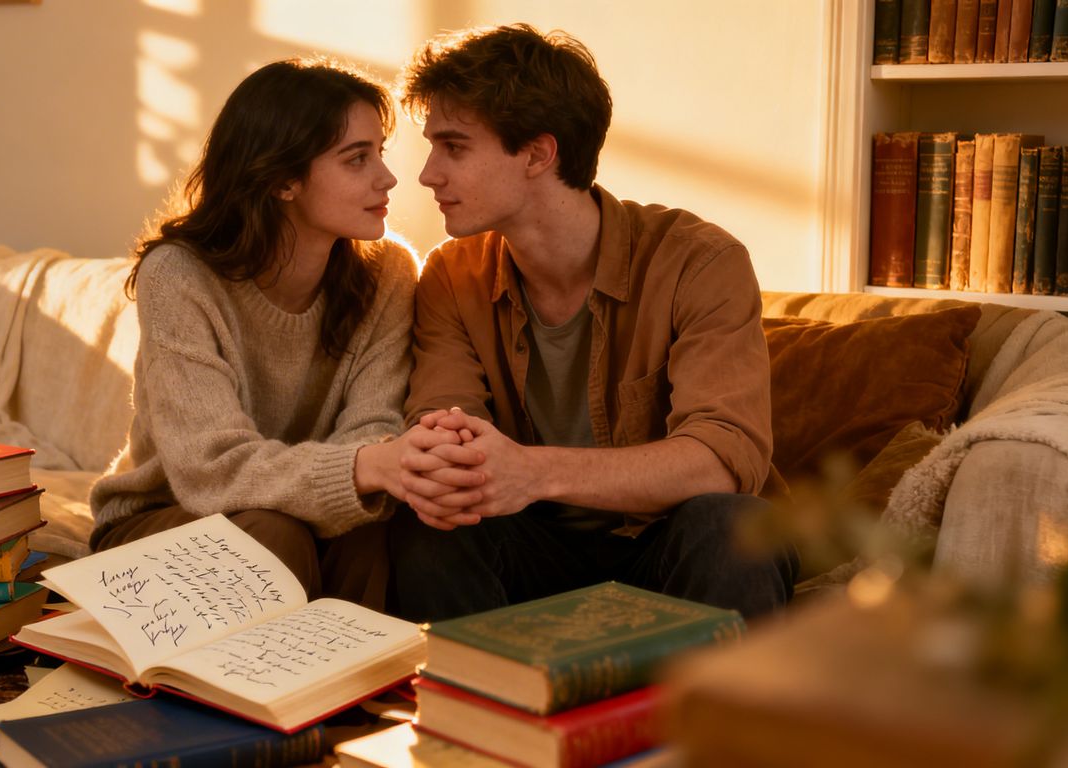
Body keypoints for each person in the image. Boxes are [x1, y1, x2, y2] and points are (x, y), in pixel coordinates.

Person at [389, 24, 797, 622]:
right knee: (430, 524)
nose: (427, 174)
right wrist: (445, 455)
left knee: (733, 525)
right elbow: (445, 418)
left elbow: (719, 460)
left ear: (537, 153)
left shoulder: (699, 261)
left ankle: (709, 715)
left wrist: (532, 472)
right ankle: (470, 711)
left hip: (661, 543)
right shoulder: (452, 274)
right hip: (531, 544)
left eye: (453, 147)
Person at [89, 59, 438, 612]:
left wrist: (373, 468)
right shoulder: (179, 275)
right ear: (281, 179)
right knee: (272, 535)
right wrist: (363, 468)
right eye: (357, 159)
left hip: (298, 515)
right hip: (159, 519)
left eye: (380, 152)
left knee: (378, 530)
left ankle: (353, 689)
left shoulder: (389, 270)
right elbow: (210, 470)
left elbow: (374, 428)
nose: (387, 178)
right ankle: (266, 692)